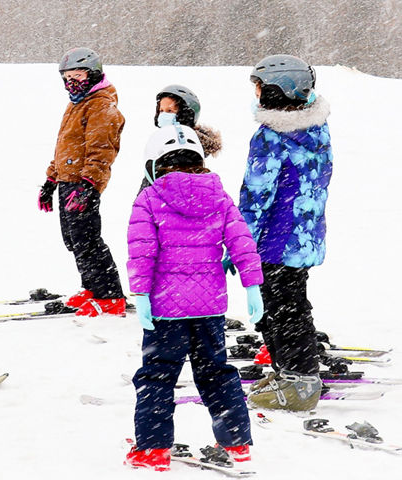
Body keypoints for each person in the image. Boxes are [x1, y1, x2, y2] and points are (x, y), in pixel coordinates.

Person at [124, 124, 264, 471]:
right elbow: (242, 242)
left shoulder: (149, 198)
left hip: (165, 309)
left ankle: (153, 449)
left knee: (158, 374)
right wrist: (252, 284)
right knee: (216, 372)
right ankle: (237, 441)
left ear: (154, 163)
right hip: (209, 307)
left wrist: (140, 294)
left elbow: (142, 252)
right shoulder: (218, 196)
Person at [237, 54, 333, 412]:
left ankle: (300, 380)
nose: (257, 94)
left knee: (279, 309)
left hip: (273, 242)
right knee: (291, 305)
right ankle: (288, 372)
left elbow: (255, 196)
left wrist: (239, 242)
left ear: (278, 91)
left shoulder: (269, 137)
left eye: (260, 87)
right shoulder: (316, 131)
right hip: (304, 239)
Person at [37, 47, 126, 317]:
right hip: (68, 181)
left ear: (94, 74)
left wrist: (89, 186)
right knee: (73, 240)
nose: (71, 82)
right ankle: (91, 286)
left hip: (84, 184)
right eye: (67, 77)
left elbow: (101, 151)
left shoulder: (101, 105)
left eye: (78, 75)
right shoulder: (77, 103)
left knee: (88, 240)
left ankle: (109, 295)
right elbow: (65, 147)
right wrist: (51, 181)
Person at [138, 84, 222, 193]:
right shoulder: (159, 144)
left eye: (169, 111)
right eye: (161, 110)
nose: (163, 115)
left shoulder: (188, 154)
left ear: (185, 115)